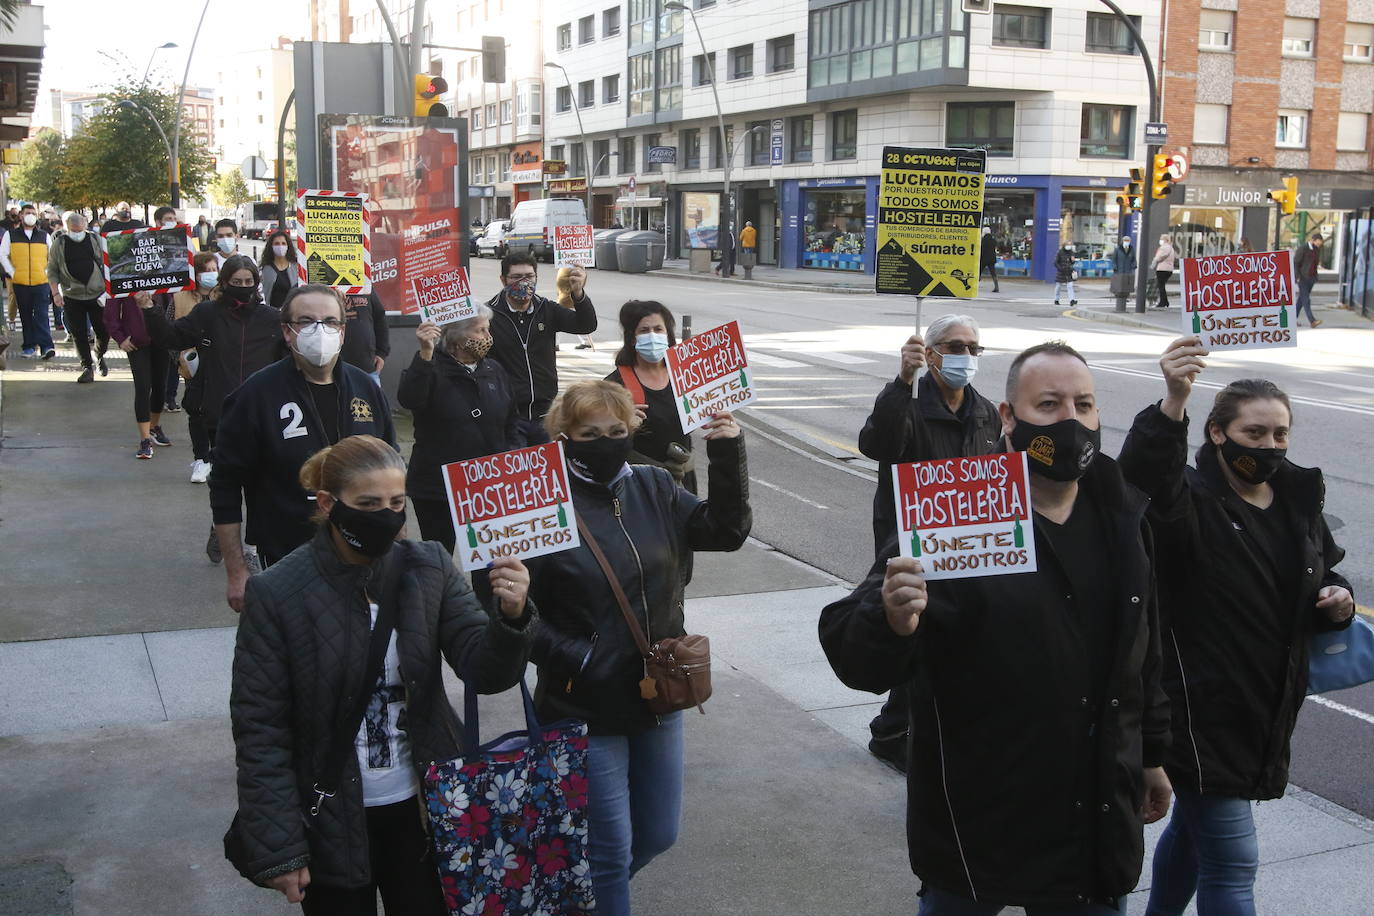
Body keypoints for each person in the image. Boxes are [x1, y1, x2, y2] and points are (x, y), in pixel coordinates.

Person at [820, 341, 1173, 915]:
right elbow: (854, 653)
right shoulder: (961, 508)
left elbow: (1143, 652)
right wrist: (890, 618)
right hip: (978, 822)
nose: (1072, 421)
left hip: (1093, 820)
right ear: (1008, 417)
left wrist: (1151, 753)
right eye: (1050, 404)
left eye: (1084, 405)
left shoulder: (1122, 513)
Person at [230, 433, 535, 914]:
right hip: (330, 816)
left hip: (424, 808)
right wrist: (281, 846)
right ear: (329, 503)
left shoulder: (429, 565)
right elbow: (259, 728)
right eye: (368, 504)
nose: (388, 517)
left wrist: (512, 616)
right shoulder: (277, 593)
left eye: (397, 502)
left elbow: (485, 670)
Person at [1119, 338, 1354, 916]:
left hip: (1265, 707)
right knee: (1233, 862)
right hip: (1199, 711)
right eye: (1254, 434)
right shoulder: (1189, 502)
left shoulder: (1299, 500)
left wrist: (1338, 599)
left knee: (1193, 841)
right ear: (1218, 434)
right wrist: (1175, 398)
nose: (1270, 447)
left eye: (1280, 435)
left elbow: (1328, 570)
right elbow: (1143, 479)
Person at [526, 380, 749, 915]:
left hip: (659, 696)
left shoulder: (655, 485)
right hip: (585, 706)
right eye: (590, 433)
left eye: (617, 431)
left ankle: (568, 904)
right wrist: (582, 658)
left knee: (657, 835)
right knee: (607, 853)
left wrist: (725, 449)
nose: (606, 441)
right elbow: (511, 616)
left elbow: (725, 530)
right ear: (563, 436)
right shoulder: (540, 502)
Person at [855, 315, 1001, 773]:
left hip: (967, 542)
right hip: (910, 539)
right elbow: (876, 442)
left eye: (973, 349)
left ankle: (907, 725)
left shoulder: (985, 412)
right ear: (931, 352)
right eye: (955, 347)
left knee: (950, 632)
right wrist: (902, 380)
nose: (965, 357)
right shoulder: (910, 404)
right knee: (918, 628)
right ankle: (893, 729)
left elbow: (997, 474)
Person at [191, 284, 396, 611]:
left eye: (330, 321)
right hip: (289, 557)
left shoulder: (366, 391)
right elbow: (226, 487)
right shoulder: (255, 396)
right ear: (288, 332)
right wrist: (235, 570)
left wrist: (396, 542)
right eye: (306, 321)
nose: (320, 330)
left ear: (342, 332)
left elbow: (392, 474)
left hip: (367, 556)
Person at [143, 255, 287, 548]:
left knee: (261, 483)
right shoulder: (207, 313)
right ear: (225, 283)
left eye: (249, 282)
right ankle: (221, 525)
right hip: (220, 412)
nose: (243, 288)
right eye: (237, 283)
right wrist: (149, 310)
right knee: (228, 480)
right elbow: (171, 337)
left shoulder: (273, 318)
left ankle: (253, 546)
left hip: (262, 413)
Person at [397, 307, 517, 554]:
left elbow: (511, 422)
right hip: (438, 488)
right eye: (480, 330)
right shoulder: (430, 368)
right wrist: (425, 354)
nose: (487, 336)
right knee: (438, 556)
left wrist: (514, 454)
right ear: (458, 336)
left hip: (487, 486)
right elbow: (411, 399)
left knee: (490, 560)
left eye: (488, 329)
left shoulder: (493, 370)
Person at [485, 252, 598, 446]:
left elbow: (585, 325)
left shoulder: (546, 309)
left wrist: (578, 294)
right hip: (508, 416)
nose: (523, 282)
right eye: (516, 277)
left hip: (545, 412)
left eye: (529, 276)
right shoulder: (489, 315)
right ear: (503, 280)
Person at [605, 300, 695, 492]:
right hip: (639, 488)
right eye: (644, 331)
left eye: (658, 329)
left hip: (684, 484)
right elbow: (599, 445)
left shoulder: (686, 375)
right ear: (632, 338)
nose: (652, 336)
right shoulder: (614, 387)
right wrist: (621, 426)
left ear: (668, 335)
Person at [105, 289, 172, 460]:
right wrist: (120, 338)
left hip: (162, 337)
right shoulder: (124, 277)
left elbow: (172, 300)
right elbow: (111, 310)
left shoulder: (162, 271)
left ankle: (154, 427)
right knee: (143, 387)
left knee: (160, 386)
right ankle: (144, 439)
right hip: (136, 342)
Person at [47, 211, 109, 383]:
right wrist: (55, 293)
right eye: (73, 230)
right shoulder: (59, 244)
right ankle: (87, 367)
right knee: (79, 333)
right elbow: (52, 270)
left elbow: (107, 263)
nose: (77, 233)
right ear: (66, 228)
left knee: (103, 331)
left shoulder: (95, 240)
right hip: (71, 295)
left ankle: (99, 354)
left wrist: (109, 290)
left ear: (84, 225)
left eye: (79, 229)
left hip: (97, 293)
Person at [165, 251, 219, 416]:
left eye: (214, 269)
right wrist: (179, 359)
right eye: (206, 270)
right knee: (195, 408)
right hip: (191, 364)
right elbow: (169, 332)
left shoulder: (224, 297)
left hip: (219, 363)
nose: (211, 273)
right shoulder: (179, 298)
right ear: (195, 274)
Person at [1, 203, 55, 359]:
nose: (30, 215)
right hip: (20, 282)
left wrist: (45, 272)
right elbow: (3, 254)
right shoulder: (10, 235)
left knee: (42, 315)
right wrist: (12, 272)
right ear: (21, 215)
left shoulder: (44, 235)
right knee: (25, 315)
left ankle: (46, 346)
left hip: (41, 282)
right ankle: (29, 346)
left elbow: (51, 257)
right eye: (27, 212)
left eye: (33, 212)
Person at [339, 291, 390, 386]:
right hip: (332, 372)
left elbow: (380, 318)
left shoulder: (364, 283)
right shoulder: (322, 287)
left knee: (373, 401)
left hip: (367, 369)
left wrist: (382, 352)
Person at [258, 229, 299, 310]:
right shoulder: (264, 270)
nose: (280, 246)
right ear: (271, 246)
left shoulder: (296, 268)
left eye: (283, 243)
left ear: (288, 246)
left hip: (293, 312)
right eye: (276, 244)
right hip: (272, 314)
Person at [1293, 231, 1324, 328]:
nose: (1319, 244)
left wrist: (1315, 277)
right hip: (1302, 278)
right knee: (1306, 300)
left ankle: (1292, 319)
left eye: (1320, 243)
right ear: (1313, 240)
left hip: (1312, 278)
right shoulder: (1303, 248)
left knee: (1301, 300)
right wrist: (1297, 276)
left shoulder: (1317, 249)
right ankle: (1312, 321)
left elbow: (1315, 263)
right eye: (1318, 242)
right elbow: (1296, 263)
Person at [1152, 234, 1177, 309]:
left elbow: (1159, 257)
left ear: (1165, 240)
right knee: (1162, 285)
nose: (1160, 240)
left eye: (1161, 239)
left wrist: (1154, 261)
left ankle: (1163, 302)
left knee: (1161, 286)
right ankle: (1165, 301)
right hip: (1169, 269)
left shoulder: (1164, 247)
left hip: (1162, 269)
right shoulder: (1171, 248)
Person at [1111, 234, 1137, 303]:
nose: (1126, 241)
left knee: (1127, 283)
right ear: (1122, 241)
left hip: (1128, 270)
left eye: (1128, 240)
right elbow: (1114, 259)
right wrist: (1114, 267)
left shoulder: (1131, 249)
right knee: (1119, 283)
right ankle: (1119, 295)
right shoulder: (1118, 249)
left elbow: (1134, 259)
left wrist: (1134, 265)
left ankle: (1126, 296)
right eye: (1125, 240)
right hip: (1119, 269)